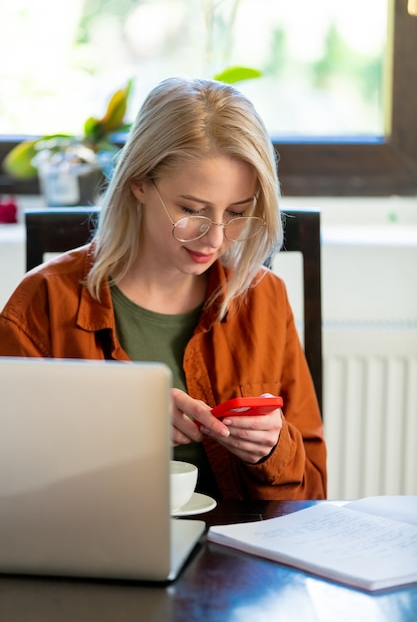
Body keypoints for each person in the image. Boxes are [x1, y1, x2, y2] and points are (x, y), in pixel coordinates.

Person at [0, 77, 326, 500]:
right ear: (138, 182)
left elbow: (315, 491)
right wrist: (119, 426)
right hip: (99, 552)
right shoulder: (41, 303)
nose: (214, 238)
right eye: (192, 210)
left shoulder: (264, 298)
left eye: (238, 212)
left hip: (235, 558)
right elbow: (12, 481)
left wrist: (271, 452)